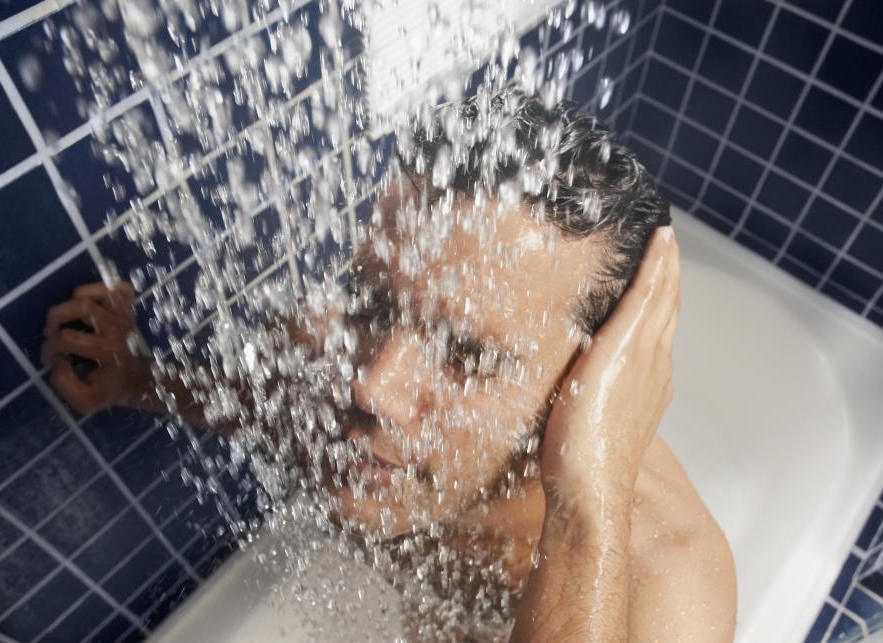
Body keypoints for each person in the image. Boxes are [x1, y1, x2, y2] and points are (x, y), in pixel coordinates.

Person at [41, 88, 736, 641]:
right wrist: (140, 380)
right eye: (372, 301)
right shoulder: (365, 388)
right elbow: (279, 414)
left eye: (468, 355)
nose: (372, 385)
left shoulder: (664, 587)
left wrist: (585, 509)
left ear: (589, 387)